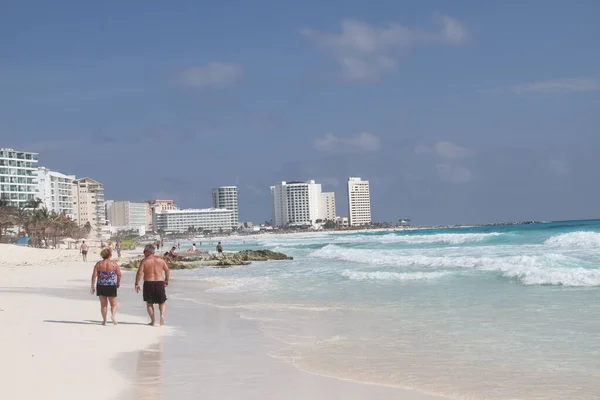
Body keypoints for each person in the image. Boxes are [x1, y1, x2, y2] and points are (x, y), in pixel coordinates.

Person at [135, 244, 170, 326]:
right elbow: (167, 270)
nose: (143, 252)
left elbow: (139, 273)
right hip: (159, 282)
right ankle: (162, 315)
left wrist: (137, 283)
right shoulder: (160, 260)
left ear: (148, 251)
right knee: (162, 302)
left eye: (144, 251)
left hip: (148, 283)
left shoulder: (144, 261)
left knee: (149, 303)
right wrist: (166, 280)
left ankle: (153, 321)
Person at [90, 248, 121, 325]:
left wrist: (92, 286)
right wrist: (118, 282)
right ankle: (113, 316)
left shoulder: (99, 264)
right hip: (111, 285)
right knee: (114, 304)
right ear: (110, 255)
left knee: (103, 305)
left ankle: (104, 321)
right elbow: (119, 274)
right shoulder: (114, 264)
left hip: (101, 285)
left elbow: (94, 276)